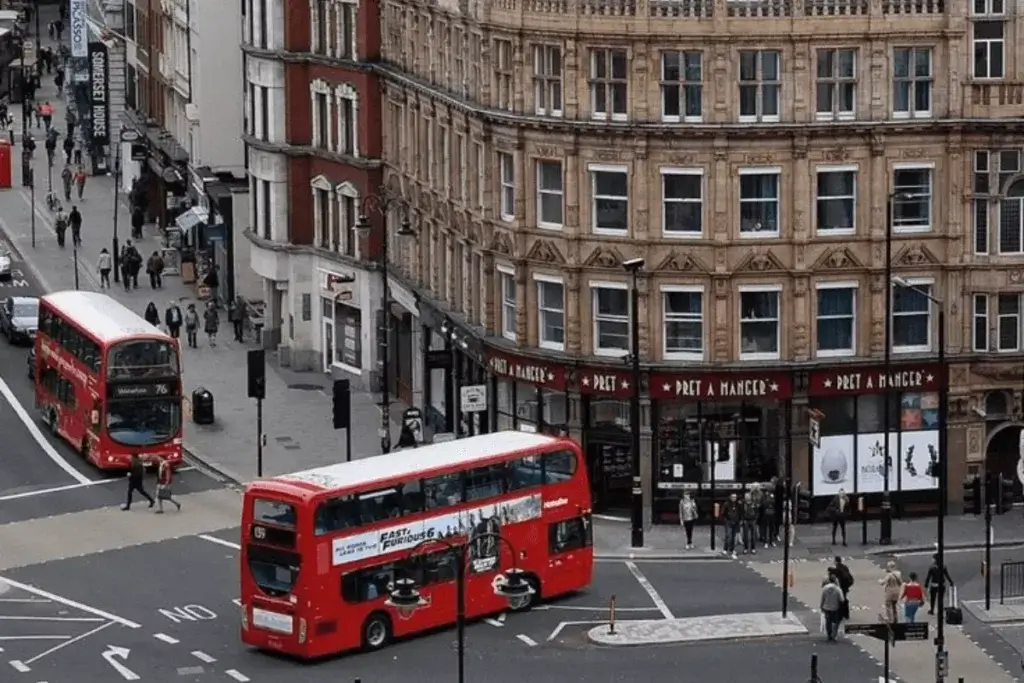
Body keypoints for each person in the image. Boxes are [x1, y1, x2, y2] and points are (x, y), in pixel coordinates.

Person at [820, 575, 845, 642]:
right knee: (835, 622)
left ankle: (829, 635)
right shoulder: (838, 589)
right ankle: (834, 635)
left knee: (828, 622)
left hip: (826, 607)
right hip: (835, 608)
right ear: (835, 580)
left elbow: (822, 598)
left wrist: (821, 606)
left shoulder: (825, 588)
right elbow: (842, 599)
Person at [833, 556, 854, 628]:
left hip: (841, 586)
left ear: (836, 561)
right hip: (846, 586)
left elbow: (836, 579)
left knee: (841, 600)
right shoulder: (844, 567)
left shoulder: (837, 569)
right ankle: (846, 614)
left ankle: (840, 615)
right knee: (844, 598)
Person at [721, 493, 742, 559]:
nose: (734, 498)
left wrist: (739, 520)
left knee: (733, 536)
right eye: (733, 497)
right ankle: (725, 548)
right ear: (730, 497)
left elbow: (740, 512)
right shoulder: (726, 504)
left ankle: (731, 549)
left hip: (735, 522)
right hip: (728, 522)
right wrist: (726, 520)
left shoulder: (738, 504)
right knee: (728, 535)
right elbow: (723, 513)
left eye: (735, 497)